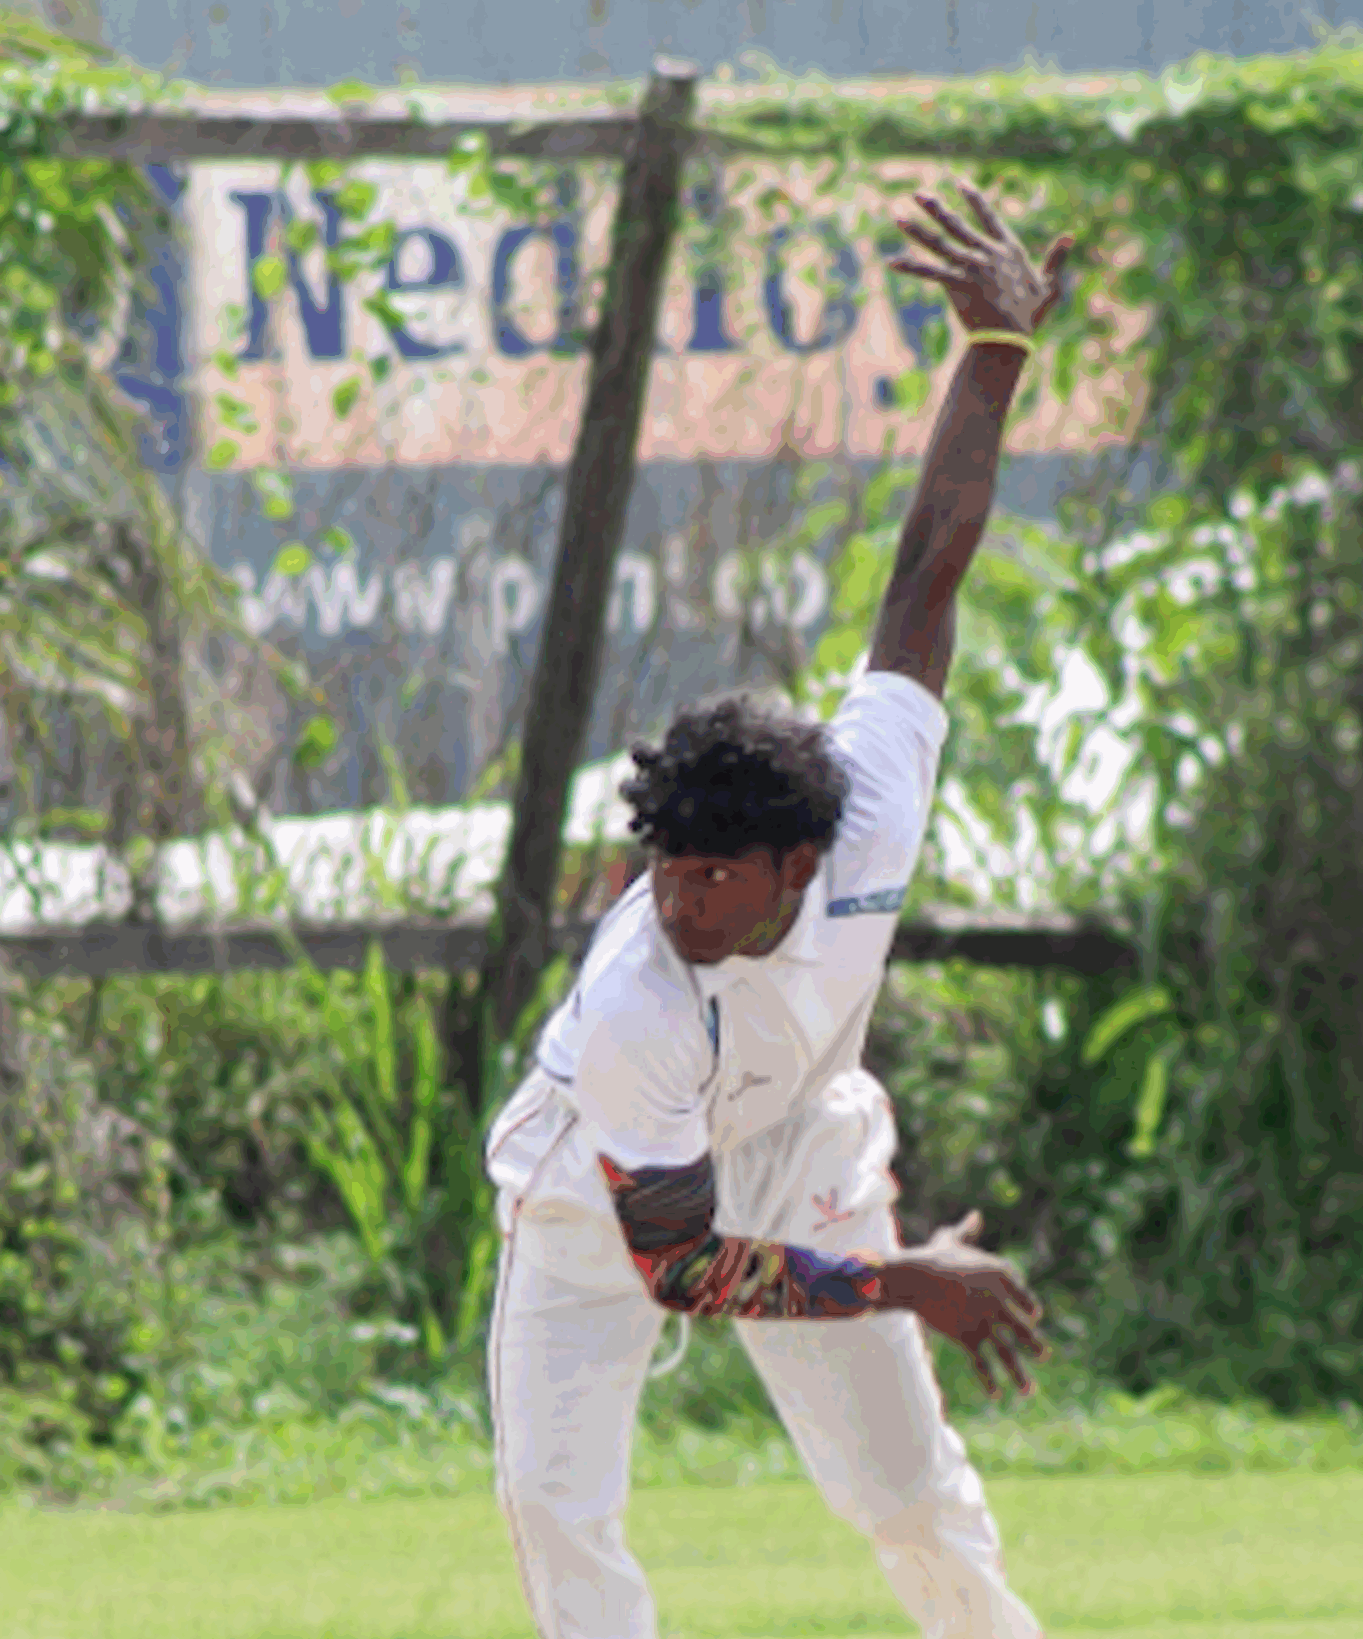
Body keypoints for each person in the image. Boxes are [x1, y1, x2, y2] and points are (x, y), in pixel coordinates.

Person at [485, 182, 1074, 1639]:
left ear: (797, 864)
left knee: (903, 1491)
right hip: (599, 1192)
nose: (674, 896)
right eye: (662, 864)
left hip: (802, 1134)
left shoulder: (863, 795)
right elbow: (679, 1263)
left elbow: (928, 564)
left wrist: (995, 346)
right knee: (559, 1507)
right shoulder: (638, 1001)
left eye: (708, 875)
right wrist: (905, 1274)